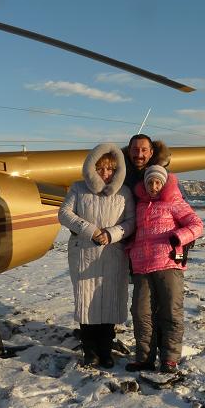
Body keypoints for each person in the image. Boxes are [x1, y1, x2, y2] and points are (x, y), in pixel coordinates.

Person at [58, 143, 135, 368]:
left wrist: (111, 234)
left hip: (112, 254)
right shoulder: (78, 188)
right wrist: (89, 230)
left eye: (110, 169)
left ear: (117, 170)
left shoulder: (124, 192)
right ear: (91, 168)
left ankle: (105, 349)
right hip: (84, 253)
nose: (105, 173)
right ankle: (90, 351)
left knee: (110, 300)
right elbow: (64, 214)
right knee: (86, 301)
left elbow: (132, 221)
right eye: (100, 168)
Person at [126, 165, 203, 373]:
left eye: (157, 182)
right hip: (141, 267)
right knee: (141, 313)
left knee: (171, 311)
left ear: (163, 183)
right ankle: (144, 358)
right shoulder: (140, 205)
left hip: (168, 264)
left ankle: (169, 359)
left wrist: (179, 237)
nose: (153, 186)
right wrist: (129, 250)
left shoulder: (174, 201)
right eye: (149, 183)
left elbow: (197, 225)